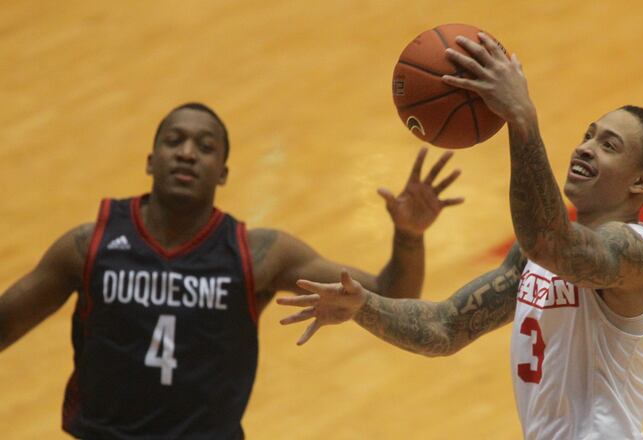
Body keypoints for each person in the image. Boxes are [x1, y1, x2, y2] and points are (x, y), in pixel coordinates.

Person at [278, 33, 643, 439]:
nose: (585, 148)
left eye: (608, 145)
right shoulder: (531, 258)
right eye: (588, 135)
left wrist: (520, 117)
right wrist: (363, 305)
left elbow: (550, 241)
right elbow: (446, 326)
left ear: (642, 182)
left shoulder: (634, 255)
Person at [0, 102, 465, 439]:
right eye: (173, 141)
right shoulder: (90, 244)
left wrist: (408, 236)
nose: (187, 153)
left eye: (205, 147)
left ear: (223, 172)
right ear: (150, 160)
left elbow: (391, 296)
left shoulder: (260, 253)